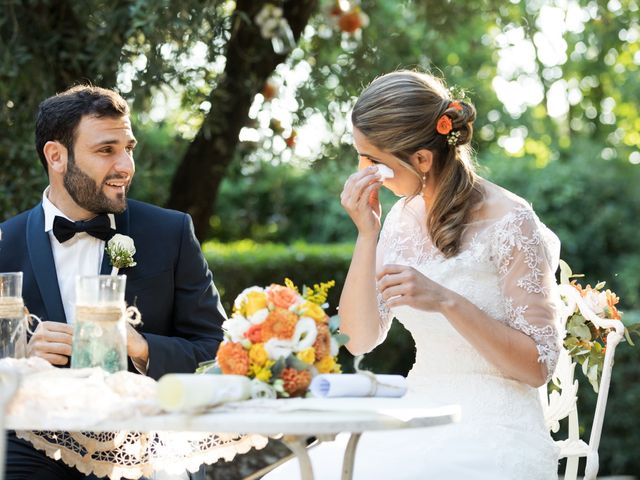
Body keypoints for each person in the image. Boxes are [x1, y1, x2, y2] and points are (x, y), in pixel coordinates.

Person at [265, 71, 562, 479]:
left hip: (496, 422)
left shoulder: (511, 220)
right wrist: (367, 234)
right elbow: (360, 338)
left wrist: (445, 300)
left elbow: (537, 366)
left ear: (422, 158)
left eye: (373, 160)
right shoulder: (401, 219)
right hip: (419, 408)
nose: (362, 170)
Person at [0, 85, 227, 479]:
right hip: (30, 448)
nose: (125, 165)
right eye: (107, 150)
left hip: (144, 447)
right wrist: (20, 359)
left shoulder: (170, 232)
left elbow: (219, 354)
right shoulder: (5, 242)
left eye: (129, 148)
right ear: (56, 156)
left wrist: (140, 347)